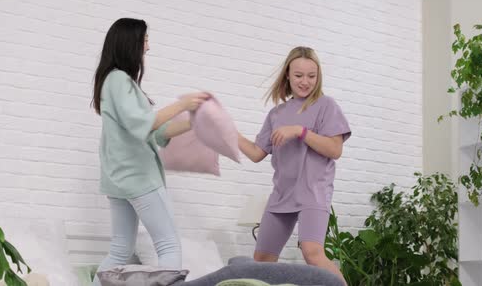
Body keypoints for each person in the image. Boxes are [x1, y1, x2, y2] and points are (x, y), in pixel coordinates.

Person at [91, 18, 210, 283]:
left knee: (120, 250)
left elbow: (156, 131)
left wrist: (193, 122)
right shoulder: (119, 80)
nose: (148, 47)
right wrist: (182, 104)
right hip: (138, 177)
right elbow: (142, 124)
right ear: (130, 43)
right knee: (168, 245)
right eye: (145, 40)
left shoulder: (115, 82)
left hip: (119, 179)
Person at [237, 46, 350, 284]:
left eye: (312, 76)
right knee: (262, 259)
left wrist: (300, 131)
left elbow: (335, 149)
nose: (305, 82)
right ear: (287, 75)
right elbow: (257, 153)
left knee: (313, 253)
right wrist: (228, 133)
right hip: (282, 195)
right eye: (299, 75)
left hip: (313, 192)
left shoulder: (326, 106)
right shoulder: (277, 113)